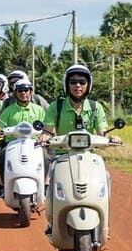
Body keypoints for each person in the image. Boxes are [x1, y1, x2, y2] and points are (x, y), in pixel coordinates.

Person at [41, 64, 121, 234]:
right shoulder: (57, 106)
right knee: (51, 181)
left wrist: (111, 138)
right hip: (62, 156)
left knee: (105, 178)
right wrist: (45, 137)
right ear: (67, 85)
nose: (78, 86)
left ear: (88, 85)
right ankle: (52, 220)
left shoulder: (95, 107)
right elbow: (47, 130)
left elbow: (102, 132)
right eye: (74, 82)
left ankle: (104, 222)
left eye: (82, 82)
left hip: (89, 156)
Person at [0, 78, 47, 198]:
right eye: (20, 90)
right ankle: (1, 186)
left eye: (26, 90)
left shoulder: (38, 110)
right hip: (11, 143)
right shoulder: (8, 111)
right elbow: (0, 126)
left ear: (31, 92)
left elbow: (46, 127)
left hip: (34, 144)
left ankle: (46, 185)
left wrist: (46, 134)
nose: (23, 93)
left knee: (49, 155)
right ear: (15, 93)